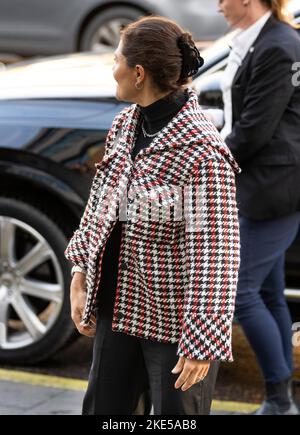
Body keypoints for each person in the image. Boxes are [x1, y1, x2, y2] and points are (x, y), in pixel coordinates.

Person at [64, 16, 241, 415]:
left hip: (174, 329)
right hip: (116, 307)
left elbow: (216, 255)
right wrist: (80, 270)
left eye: (116, 60)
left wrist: (202, 341)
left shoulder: (200, 152)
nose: (113, 69)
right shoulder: (126, 124)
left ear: (138, 73)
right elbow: (101, 202)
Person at [218, 0, 300, 415]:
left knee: (239, 293)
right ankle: (282, 398)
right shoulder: (254, 40)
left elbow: (253, 130)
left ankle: (278, 399)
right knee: (269, 292)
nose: (217, 3)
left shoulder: (279, 45)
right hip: (258, 182)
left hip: (274, 187)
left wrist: (209, 160)